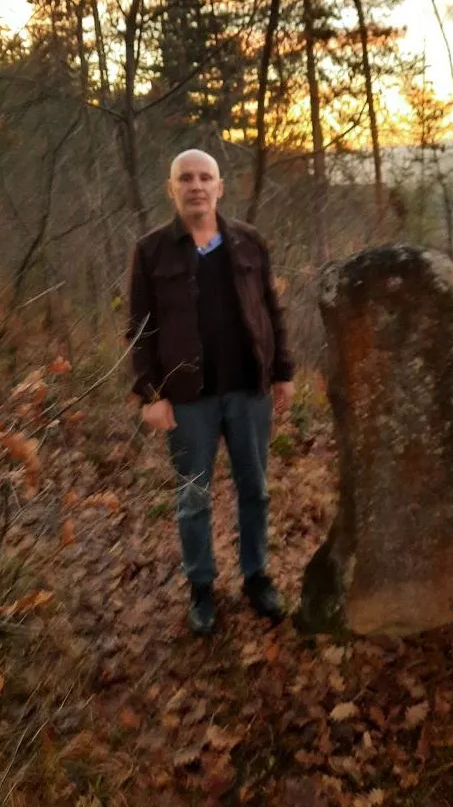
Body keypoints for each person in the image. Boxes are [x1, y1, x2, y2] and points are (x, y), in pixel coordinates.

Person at [127, 149, 295, 635]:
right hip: (188, 398)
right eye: (186, 178)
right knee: (193, 497)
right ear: (172, 188)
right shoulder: (152, 251)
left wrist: (282, 371)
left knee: (255, 490)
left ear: (220, 187)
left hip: (248, 391)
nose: (196, 186)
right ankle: (201, 587)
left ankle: (256, 577)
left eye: (205, 178)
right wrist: (150, 393)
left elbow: (271, 308)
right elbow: (139, 328)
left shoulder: (249, 242)